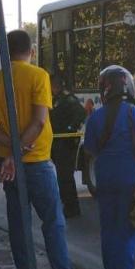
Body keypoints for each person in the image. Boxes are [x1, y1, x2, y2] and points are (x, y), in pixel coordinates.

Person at [0, 30, 89, 269]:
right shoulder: (38, 76)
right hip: (37, 161)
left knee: (19, 224)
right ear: (32, 50)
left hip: (8, 165)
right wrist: (20, 150)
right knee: (53, 223)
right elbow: (39, 122)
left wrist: (10, 150)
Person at [82, 66, 135, 269]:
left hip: (104, 178)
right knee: (127, 229)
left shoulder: (95, 117)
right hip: (129, 179)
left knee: (109, 228)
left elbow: (90, 148)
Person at [50, 74, 86, 218]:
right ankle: (68, 205)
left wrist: (70, 128)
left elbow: (81, 114)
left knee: (65, 177)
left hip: (65, 144)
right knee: (62, 176)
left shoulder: (68, 99)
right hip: (58, 143)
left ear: (55, 85)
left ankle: (72, 207)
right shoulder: (56, 99)